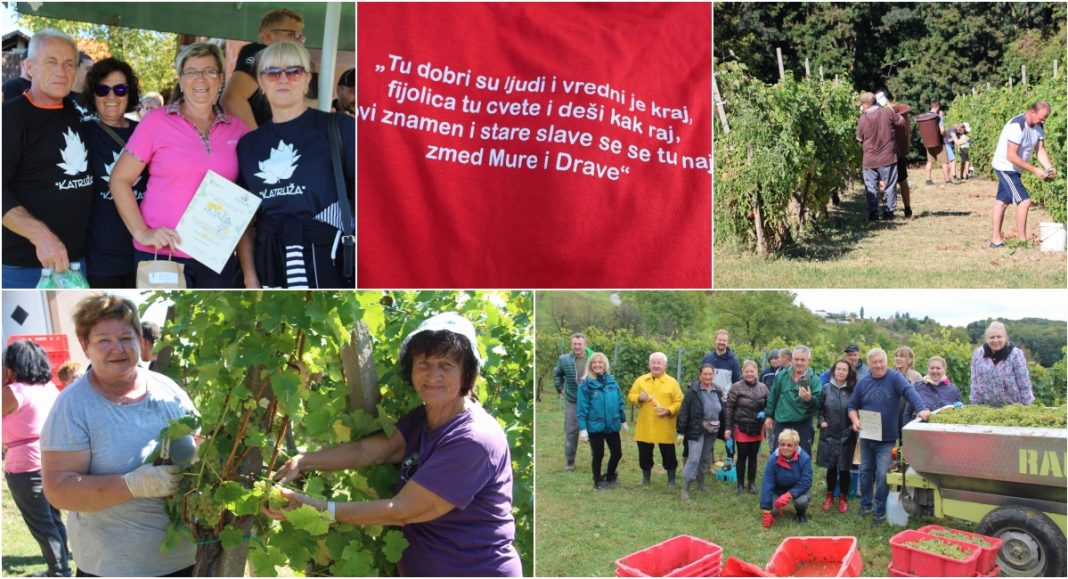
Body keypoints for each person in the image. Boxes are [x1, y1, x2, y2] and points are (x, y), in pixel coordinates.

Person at [268, 312, 522, 576]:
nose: (432, 375)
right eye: (423, 363)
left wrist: (318, 510)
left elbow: (402, 511)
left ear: (467, 374)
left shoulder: (474, 440)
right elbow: (367, 451)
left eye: (445, 365)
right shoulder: (425, 418)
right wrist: (303, 461)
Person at [40, 294, 198, 576]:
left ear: (139, 339)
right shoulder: (73, 406)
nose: (118, 349)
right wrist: (131, 485)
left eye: (126, 338)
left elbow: (200, 443)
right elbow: (58, 490)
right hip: (113, 568)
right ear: (85, 346)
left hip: (186, 563)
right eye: (103, 341)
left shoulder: (168, 390)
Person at [110, 43, 251, 288]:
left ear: (221, 79)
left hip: (215, 257)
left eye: (209, 71)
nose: (201, 79)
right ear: (181, 80)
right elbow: (119, 180)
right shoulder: (156, 122)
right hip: (162, 253)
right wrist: (142, 232)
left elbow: (248, 195)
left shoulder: (238, 130)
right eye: (191, 72)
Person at [236, 41, 355, 288]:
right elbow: (243, 220)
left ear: (307, 79)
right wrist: (250, 276)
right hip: (270, 262)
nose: (283, 79)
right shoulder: (248, 145)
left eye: (293, 71)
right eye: (272, 72)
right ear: (261, 81)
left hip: (331, 259)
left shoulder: (339, 128)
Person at [2, 29, 94, 288]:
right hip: (27, 267)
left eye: (69, 64)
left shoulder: (79, 110)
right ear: (30, 67)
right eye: (51, 62)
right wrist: (41, 236)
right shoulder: (9, 118)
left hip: (78, 262)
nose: (61, 71)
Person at [3, 341, 71, 577]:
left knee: (41, 524)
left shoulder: (13, 392)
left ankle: (59, 571)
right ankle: (61, 568)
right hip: (51, 460)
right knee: (53, 518)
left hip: (24, 466)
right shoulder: (49, 388)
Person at [81, 57, 145, 288]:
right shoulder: (82, 132)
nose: (111, 96)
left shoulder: (144, 131)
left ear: (129, 93)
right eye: (102, 89)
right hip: (100, 256)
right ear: (93, 94)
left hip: (143, 250)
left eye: (120, 89)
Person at [848, 348, 931, 526]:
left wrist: (921, 408)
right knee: (865, 472)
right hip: (866, 437)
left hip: (886, 439)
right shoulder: (863, 383)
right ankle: (865, 505)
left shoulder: (895, 378)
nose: (879, 365)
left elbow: (910, 392)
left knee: (882, 474)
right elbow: (852, 406)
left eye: (881, 362)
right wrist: (855, 420)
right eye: (875, 363)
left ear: (886, 361)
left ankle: (879, 510)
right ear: (869, 364)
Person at [220, 7, 305, 129]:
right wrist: (258, 138)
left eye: (300, 37)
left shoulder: (279, 63)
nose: (299, 42)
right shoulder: (260, 53)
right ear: (268, 36)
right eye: (292, 34)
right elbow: (231, 99)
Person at [989, 101, 1056, 249]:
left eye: (1045, 118)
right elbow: (1011, 156)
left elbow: (1040, 150)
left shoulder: (1039, 126)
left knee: (1002, 202)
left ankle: (996, 241)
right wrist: (1035, 170)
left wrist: (1049, 167)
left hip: (1015, 169)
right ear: (1032, 112)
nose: (1043, 121)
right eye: (1042, 118)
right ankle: (1023, 241)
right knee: (1025, 201)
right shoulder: (1017, 126)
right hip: (1005, 167)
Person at [628, 352, 684, 488]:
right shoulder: (641, 380)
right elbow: (631, 395)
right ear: (649, 365)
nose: (656, 365)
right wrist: (638, 398)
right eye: (653, 363)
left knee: (668, 454)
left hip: (664, 424)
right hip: (645, 424)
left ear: (665, 366)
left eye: (659, 363)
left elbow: (679, 401)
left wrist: (669, 410)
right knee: (644, 452)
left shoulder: (672, 382)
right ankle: (645, 478)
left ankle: (671, 480)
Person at [577, 352, 627, 491]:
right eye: (594, 362)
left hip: (612, 424)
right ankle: (597, 481)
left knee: (617, 453)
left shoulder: (612, 382)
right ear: (590, 365)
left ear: (605, 365)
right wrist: (583, 429)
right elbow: (582, 408)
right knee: (598, 455)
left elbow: (620, 401)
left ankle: (610, 477)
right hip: (595, 425)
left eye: (600, 362)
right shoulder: (586, 384)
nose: (597, 365)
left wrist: (623, 420)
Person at [816, 359, 858, 514]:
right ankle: (829, 496)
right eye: (838, 369)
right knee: (831, 466)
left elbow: (857, 410)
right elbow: (820, 409)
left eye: (844, 369)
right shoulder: (826, 388)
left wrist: (851, 428)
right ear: (833, 371)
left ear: (848, 373)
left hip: (847, 435)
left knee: (844, 467)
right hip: (829, 434)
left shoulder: (853, 390)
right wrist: (821, 421)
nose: (841, 372)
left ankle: (843, 498)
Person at [764, 345, 821, 458]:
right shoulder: (781, 376)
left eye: (802, 360)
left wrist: (809, 399)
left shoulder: (814, 380)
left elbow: (818, 405)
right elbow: (773, 396)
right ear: (792, 359)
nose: (799, 362)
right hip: (782, 423)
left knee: (802, 458)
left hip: (803, 425)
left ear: (808, 361)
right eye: (796, 359)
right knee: (779, 457)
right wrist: (769, 416)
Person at [677, 364, 724, 501]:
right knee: (694, 458)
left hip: (712, 430)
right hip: (696, 429)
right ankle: (685, 489)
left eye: (710, 374)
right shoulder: (693, 391)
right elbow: (684, 411)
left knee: (704, 458)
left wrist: (726, 429)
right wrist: (681, 431)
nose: (708, 377)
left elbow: (722, 410)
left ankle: (700, 484)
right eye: (705, 374)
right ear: (700, 375)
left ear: (713, 375)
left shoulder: (717, 390)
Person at [856, 91, 903, 221]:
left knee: (871, 187)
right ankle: (889, 212)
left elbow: (859, 139)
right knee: (889, 185)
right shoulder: (888, 112)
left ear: (865, 105)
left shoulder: (863, 119)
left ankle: (873, 214)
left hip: (869, 159)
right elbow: (901, 121)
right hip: (888, 157)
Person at [724, 360, 768, 495]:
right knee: (742, 456)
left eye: (752, 371)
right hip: (741, 427)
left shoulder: (763, 387)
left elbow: (769, 404)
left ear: (756, 372)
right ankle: (740, 484)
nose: (749, 374)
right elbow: (729, 408)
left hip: (757, 427)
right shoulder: (736, 387)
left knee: (753, 456)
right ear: (742, 372)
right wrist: (728, 428)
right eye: (747, 371)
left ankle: (752, 483)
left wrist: (766, 413)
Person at [970, 321, 1034, 406]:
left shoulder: (1015, 354)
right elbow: (975, 383)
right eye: (992, 337)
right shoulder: (978, 355)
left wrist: (1027, 405)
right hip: (986, 408)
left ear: (1005, 338)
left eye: (999, 337)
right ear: (987, 339)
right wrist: (975, 405)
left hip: (1013, 407)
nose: (995, 340)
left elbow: (1024, 384)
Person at [760, 429, 813, 528]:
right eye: (782, 444)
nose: (785, 448)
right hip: (777, 490)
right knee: (773, 509)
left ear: (796, 446)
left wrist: (789, 495)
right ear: (778, 445)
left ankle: (801, 514)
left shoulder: (804, 458)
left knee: (802, 501)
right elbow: (767, 483)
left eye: (789, 445)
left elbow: (806, 481)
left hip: (796, 489)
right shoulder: (772, 459)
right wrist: (766, 511)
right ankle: (773, 510)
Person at [553, 333, 588, 472]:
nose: (577, 346)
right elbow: (558, 375)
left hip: (591, 401)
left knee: (595, 430)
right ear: (571, 344)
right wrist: (560, 389)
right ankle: (570, 461)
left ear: (585, 345)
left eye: (580, 344)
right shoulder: (564, 359)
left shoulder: (592, 359)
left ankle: (596, 460)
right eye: (575, 344)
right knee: (571, 431)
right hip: (573, 400)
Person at [924, 100, 953, 187]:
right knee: (945, 162)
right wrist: (945, 134)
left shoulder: (925, 117)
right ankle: (948, 180)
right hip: (938, 142)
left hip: (928, 143)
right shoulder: (938, 117)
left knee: (930, 161)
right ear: (937, 107)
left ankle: (928, 180)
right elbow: (942, 131)